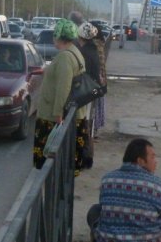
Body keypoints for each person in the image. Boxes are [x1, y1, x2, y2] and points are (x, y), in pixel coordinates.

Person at [33, 18, 91, 176]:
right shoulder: (74, 51)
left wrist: (58, 114)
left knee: (48, 159)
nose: (53, 38)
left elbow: (63, 87)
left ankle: (50, 188)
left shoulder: (65, 56)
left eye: (55, 34)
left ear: (59, 36)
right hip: (67, 113)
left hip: (53, 117)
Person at [87, 138, 161, 242]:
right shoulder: (157, 185)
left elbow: (104, 206)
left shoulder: (107, 179)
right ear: (140, 161)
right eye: (153, 157)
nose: (156, 161)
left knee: (95, 211)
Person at [77, 22, 101, 154]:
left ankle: (85, 153)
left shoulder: (84, 52)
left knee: (84, 123)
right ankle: (88, 152)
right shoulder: (94, 50)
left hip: (85, 91)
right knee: (89, 124)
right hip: (93, 89)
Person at [90, 22, 107, 138]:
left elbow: (98, 64)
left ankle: (93, 130)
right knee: (98, 104)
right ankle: (95, 129)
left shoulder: (93, 45)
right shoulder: (101, 43)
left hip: (96, 80)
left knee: (93, 105)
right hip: (101, 80)